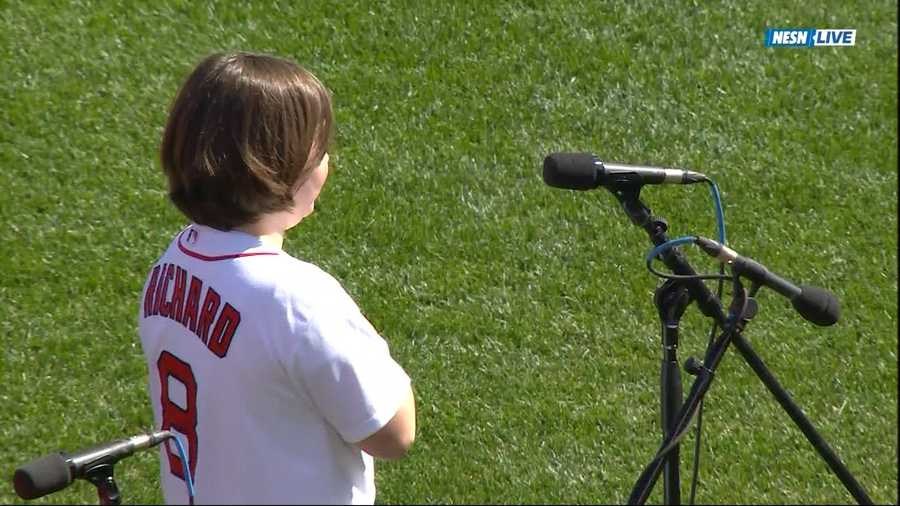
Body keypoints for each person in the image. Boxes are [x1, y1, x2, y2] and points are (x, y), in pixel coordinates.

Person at [138, 51, 416, 505]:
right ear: (280, 167)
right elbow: (393, 434)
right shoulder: (296, 301)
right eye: (320, 148)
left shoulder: (169, 267)